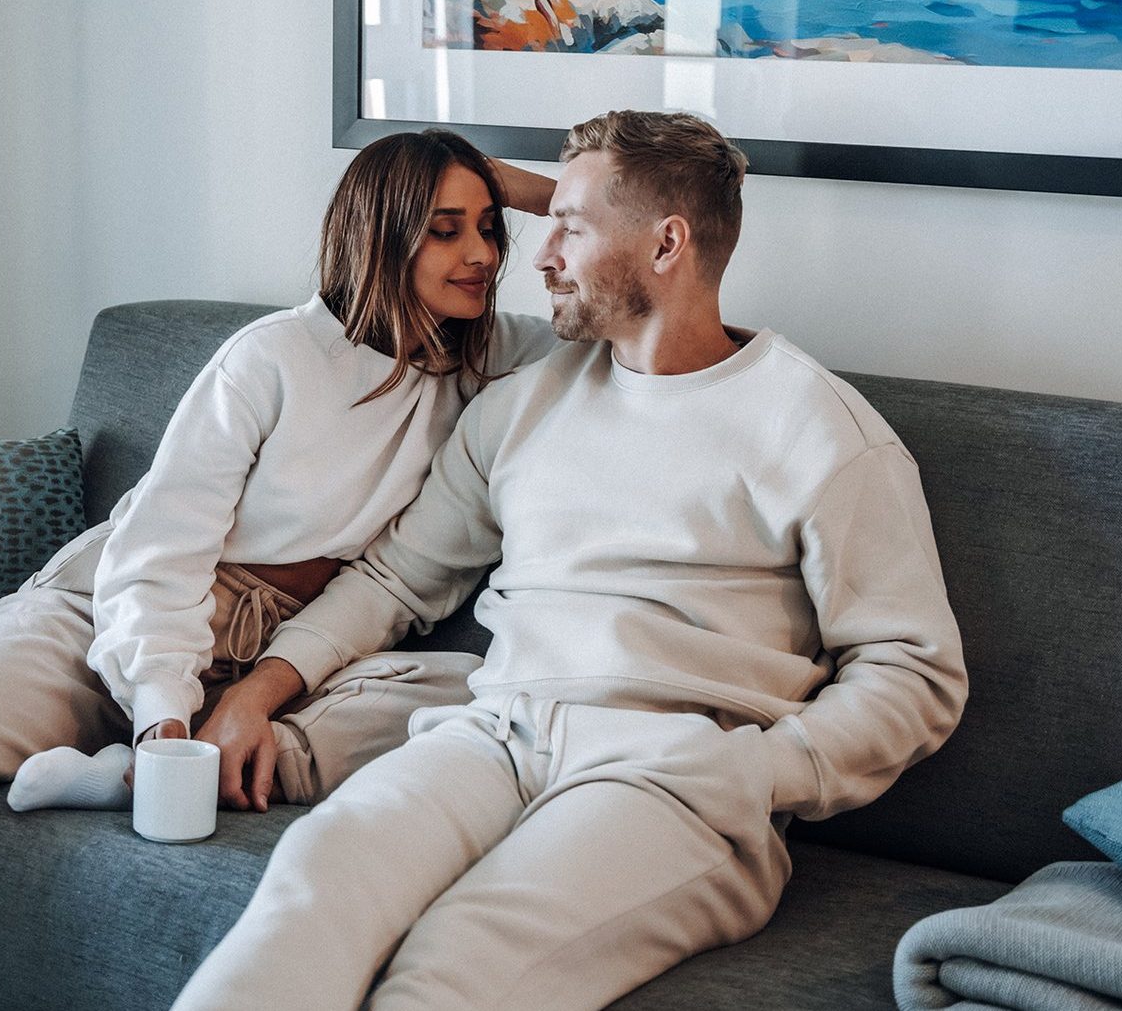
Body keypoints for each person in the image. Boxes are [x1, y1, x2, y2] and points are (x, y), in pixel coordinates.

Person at [174, 109, 969, 1011]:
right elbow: (395, 579)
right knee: (315, 880)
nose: (537, 254)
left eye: (572, 225)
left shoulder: (822, 432)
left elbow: (914, 672)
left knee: (457, 966)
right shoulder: (526, 402)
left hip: (672, 780)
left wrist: (759, 770)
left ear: (667, 245)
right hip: (496, 735)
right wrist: (256, 691)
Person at [0, 129, 560, 1011]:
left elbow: (625, 318)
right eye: (444, 228)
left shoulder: (491, 356)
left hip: (296, 648)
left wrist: (528, 190)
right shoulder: (272, 358)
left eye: (489, 228)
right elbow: (163, 551)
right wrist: (164, 712)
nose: (479, 254)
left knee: (480, 693)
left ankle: (126, 774)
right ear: (380, 232)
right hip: (123, 610)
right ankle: (148, 757)